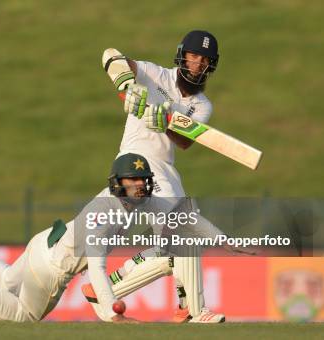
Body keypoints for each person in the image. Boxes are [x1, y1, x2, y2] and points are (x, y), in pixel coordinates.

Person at [0, 154, 177, 322]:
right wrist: (111, 312)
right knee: (26, 316)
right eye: (134, 180)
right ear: (119, 182)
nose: (141, 185)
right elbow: (97, 267)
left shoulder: (128, 199)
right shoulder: (104, 215)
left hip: (45, 243)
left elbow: (162, 209)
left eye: (144, 180)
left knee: (6, 278)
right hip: (51, 271)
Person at [84, 30, 228, 323]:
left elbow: (186, 141)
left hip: (166, 168)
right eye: (194, 56)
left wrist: (164, 123)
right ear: (182, 55)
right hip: (137, 162)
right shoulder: (153, 74)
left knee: (173, 246)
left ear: (210, 66)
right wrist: (126, 86)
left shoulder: (202, 105)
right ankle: (195, 311)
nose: (198, 64)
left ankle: (110, 288)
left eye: (205, 60)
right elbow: (111, 56)